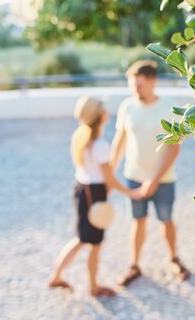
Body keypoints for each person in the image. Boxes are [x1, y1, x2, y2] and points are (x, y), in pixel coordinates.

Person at [49, 96, 140, 298]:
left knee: (82, 239)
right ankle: (93, 286)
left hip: (82, 189)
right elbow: (110, 179)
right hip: (94, 193)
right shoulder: (99, 145)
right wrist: (131, 192)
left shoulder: (80, 138)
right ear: (100, 115)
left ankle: (57, 275)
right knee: (94, 244)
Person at [111, 60, 190, 286]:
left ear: (153, 82)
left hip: (163, 179)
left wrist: (153, 180)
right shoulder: (127, 107)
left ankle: (174, 259)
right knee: (138, 222)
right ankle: (134, 265)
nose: (135, 90)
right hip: (133, 177)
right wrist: (110, 175)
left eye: (139, 85)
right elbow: (120, 141)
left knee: (166, 220)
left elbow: (174, 148)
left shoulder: (170, 108)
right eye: (132, 86)